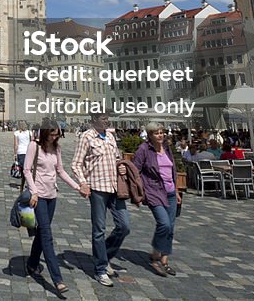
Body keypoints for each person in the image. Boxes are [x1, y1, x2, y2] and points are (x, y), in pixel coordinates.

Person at [24, 119, 82, 294]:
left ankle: (32, 263)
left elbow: (61, 171)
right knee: (47, 235)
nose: (56, 136)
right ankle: (57, 279)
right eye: (53, 133)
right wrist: (33, 191)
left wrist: (78, 187)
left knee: (42, 234)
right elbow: (26, 170)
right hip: (38, 196)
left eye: (58, 134)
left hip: (52, 195)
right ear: (45, 132)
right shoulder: (34, 146)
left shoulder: (57, 148)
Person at [72, 112, 130, 288]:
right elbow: (76, 163)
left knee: (124, 226)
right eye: (103, 118)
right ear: (94, 120)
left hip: (114, 188)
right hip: (97, 188)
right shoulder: (86, 137)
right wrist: (83, 183)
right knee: (99, 230)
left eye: (107, 118)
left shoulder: (111, 136)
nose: (107, 120)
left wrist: (121, 168)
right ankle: (100, 269)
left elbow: (117, 158)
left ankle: (104, 256)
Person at [132, 122, 182, 277]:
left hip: (171, 192)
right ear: (149, 135)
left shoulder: (167, 148)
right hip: (154, 191)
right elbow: (135, 169)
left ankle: (164, 260)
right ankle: (155, 255)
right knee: (164, 224)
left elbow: (173, 170)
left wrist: (177, 191)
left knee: (170, 227)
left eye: (162, 132)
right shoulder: (144, 149)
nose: (160, 135)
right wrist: (141, 189)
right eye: (156, 133)